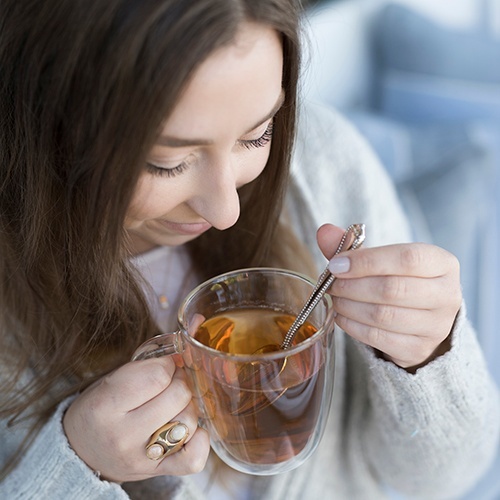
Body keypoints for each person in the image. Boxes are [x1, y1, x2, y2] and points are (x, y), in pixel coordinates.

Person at [0, 0, 498, 498]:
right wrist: (75, 468)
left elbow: (442, 481)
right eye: (166, 163)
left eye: (257, 135)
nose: (225, 211)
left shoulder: (326, 164)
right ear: (50, 120)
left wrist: (428, 357)